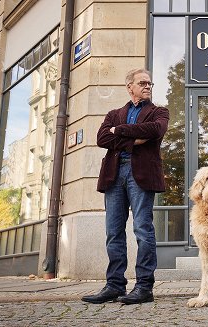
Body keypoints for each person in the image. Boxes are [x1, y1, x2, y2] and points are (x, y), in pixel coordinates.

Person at [82, 68, 169, 305]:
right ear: (129, 86)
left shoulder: (158, 112)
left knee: (143, 229)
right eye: (143, 82)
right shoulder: (114, 113)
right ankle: (114, 285)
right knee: (113, 232)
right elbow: (102, 139)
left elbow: (155, 130)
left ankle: (144, 287)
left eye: (150, 83)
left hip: (140, 174)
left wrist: (118, 133)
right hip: (114, 174)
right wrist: (134, 139)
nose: (148, 86)